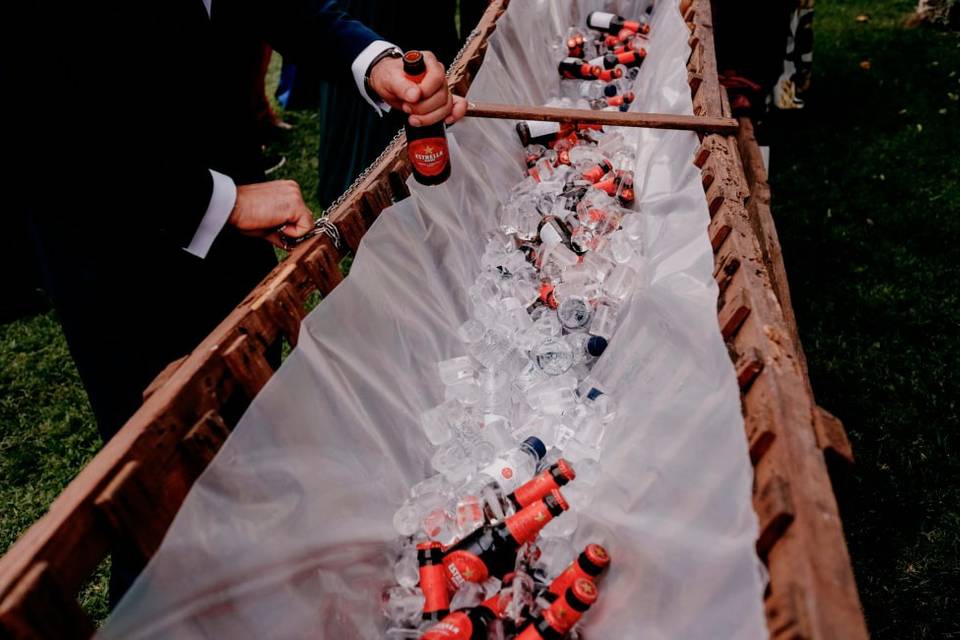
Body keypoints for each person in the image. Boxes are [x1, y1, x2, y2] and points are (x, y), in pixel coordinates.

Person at [2, 0, 465, 604]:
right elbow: (44, 114)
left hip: (236, 207)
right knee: (175, 494)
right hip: (122, 256)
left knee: (258, 437)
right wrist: (214, 203)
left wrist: (377, 63)